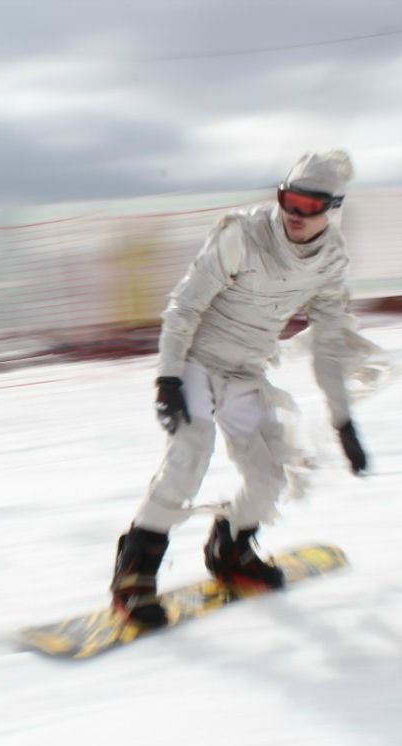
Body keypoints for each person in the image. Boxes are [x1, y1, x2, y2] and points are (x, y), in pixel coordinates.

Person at [109, 149, 370, 627]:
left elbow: (329, 346)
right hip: (197, 367)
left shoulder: (330, 259)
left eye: (310, 206)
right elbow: (185, 305)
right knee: (190, 456)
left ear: (333, 208)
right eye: (289, 200)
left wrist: (344, 420)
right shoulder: (244, 235)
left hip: (245, 376)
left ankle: (229, 550)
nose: (295, 214)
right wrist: (168, 375)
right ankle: (133, 575)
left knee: (269, 475)